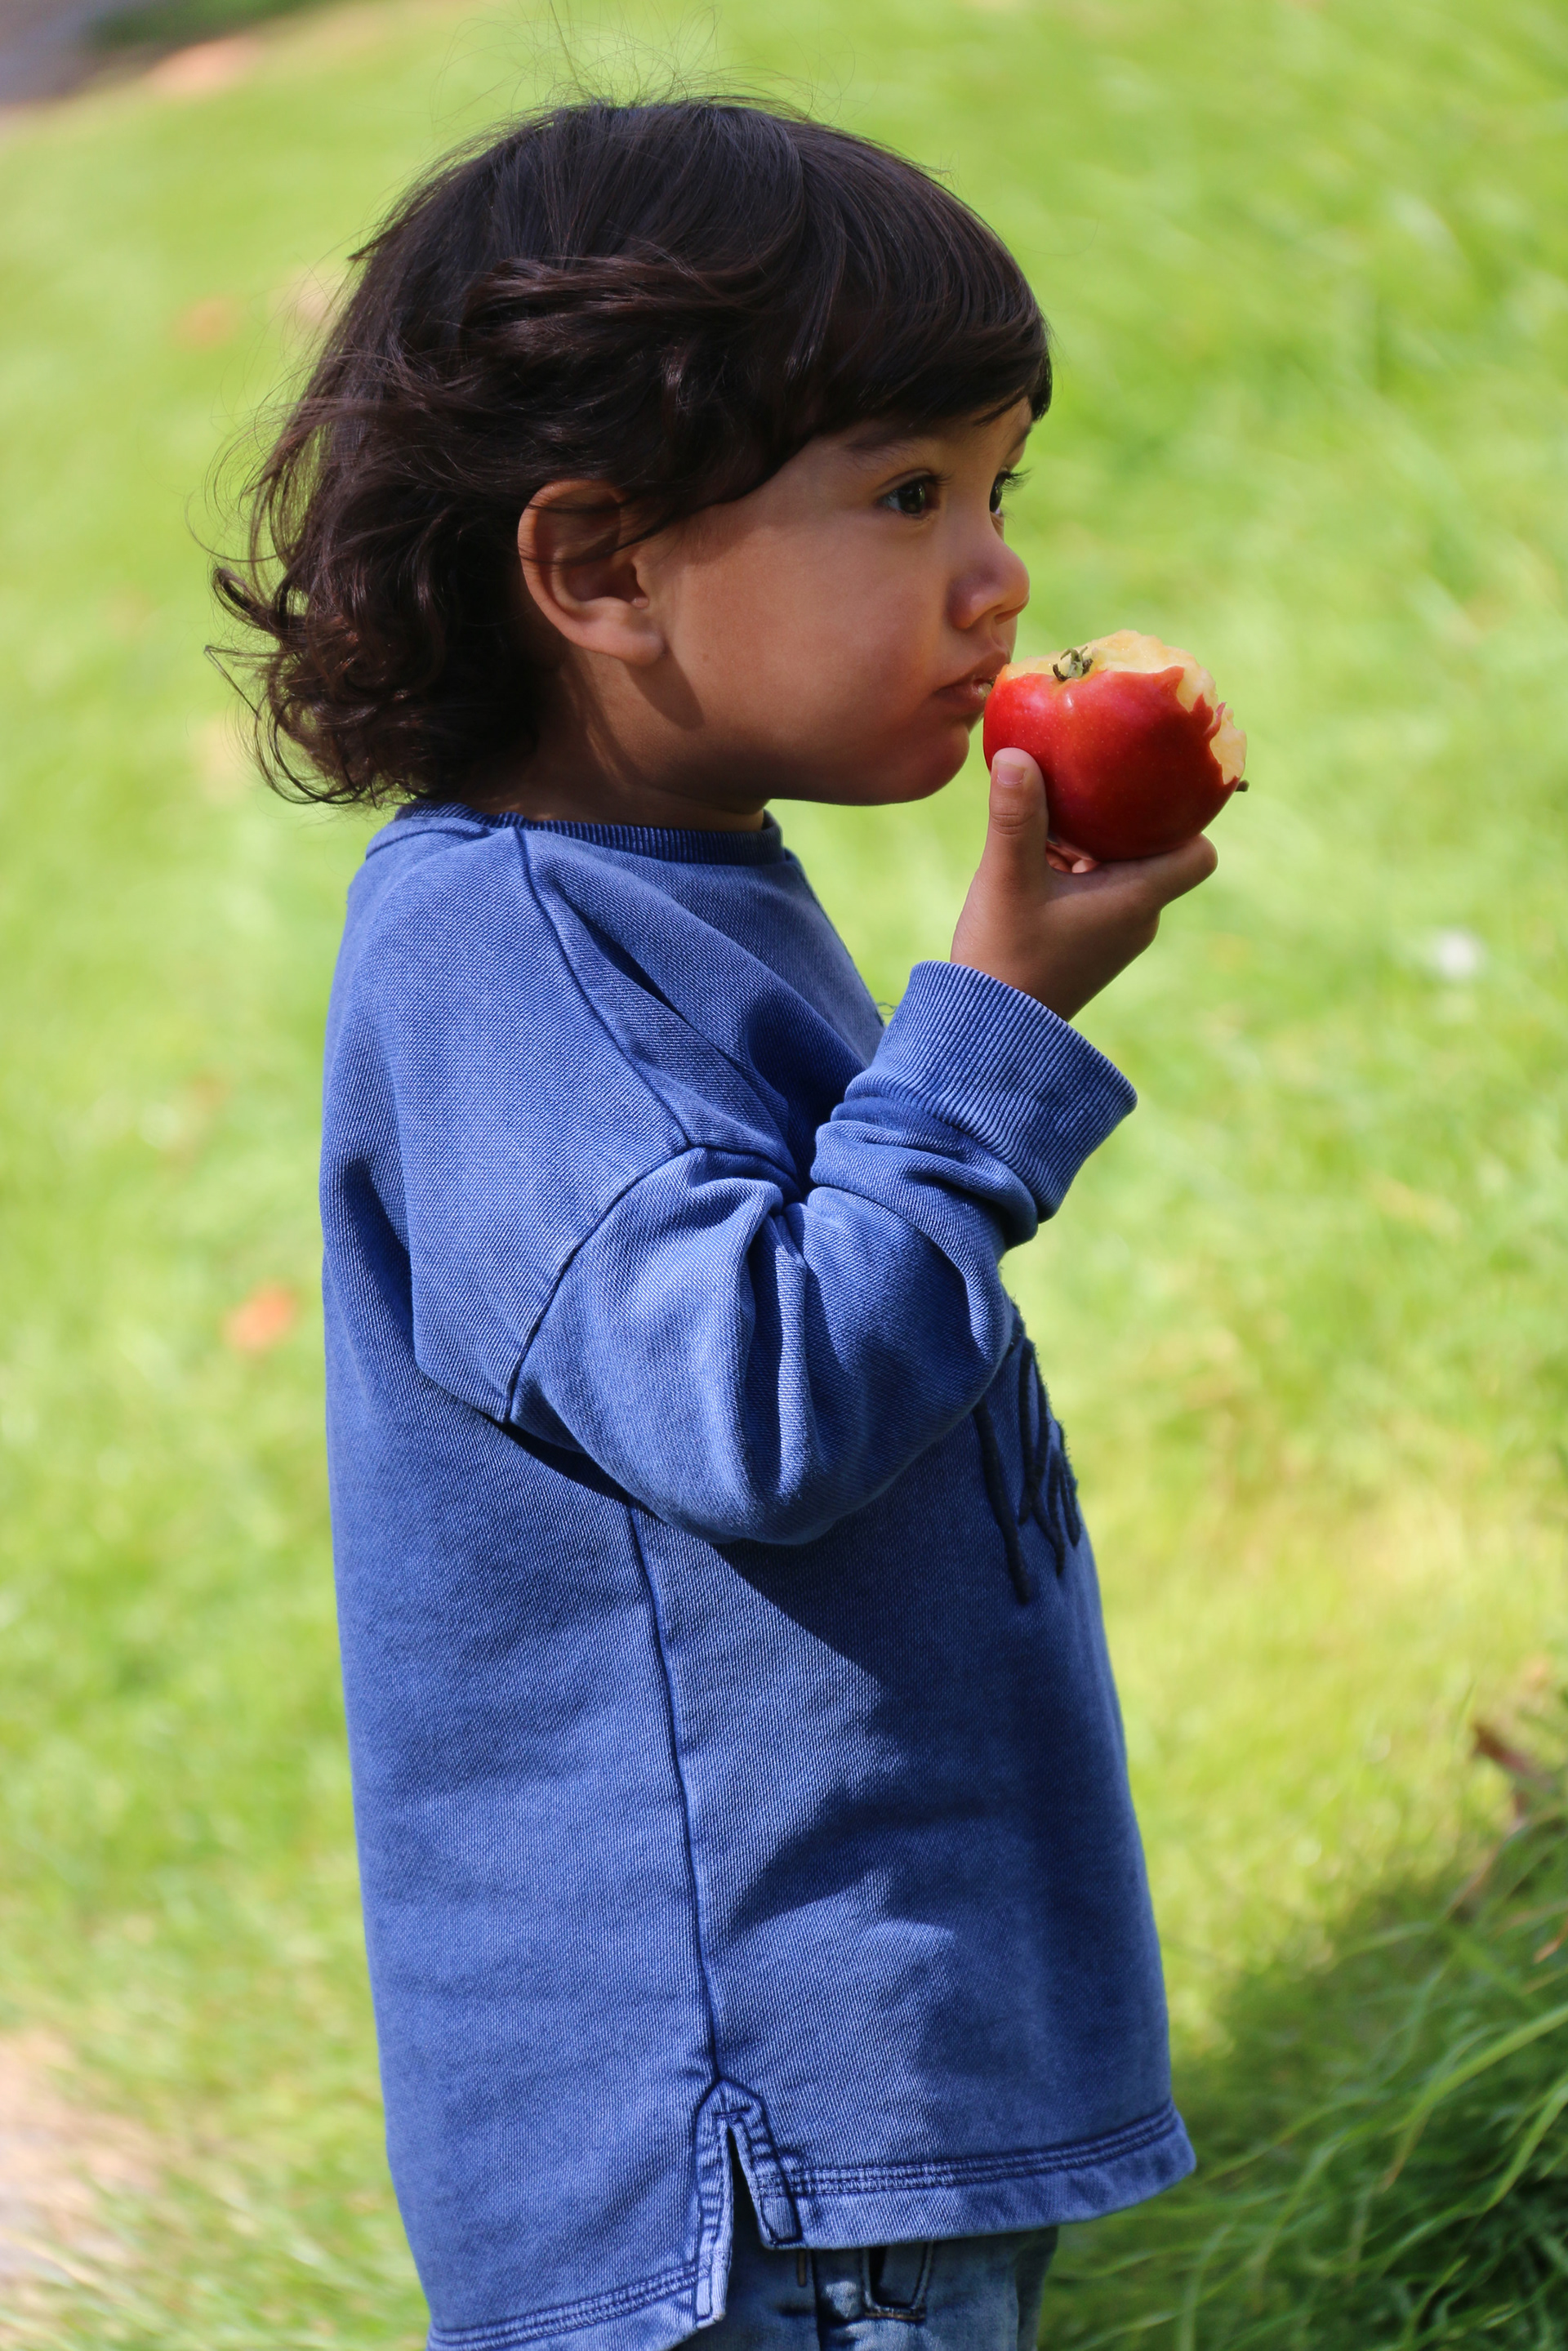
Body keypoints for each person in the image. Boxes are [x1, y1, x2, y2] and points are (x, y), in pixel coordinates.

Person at [220, 96, 1215, 2351]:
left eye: (999, 489)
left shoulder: (675, 890)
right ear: (599, 570)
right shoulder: (501, 958)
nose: (999, 576)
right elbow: (760, 1404)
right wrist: (987, 1044)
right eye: (908, 494)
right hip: (746, 2152)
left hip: (847, 2100)